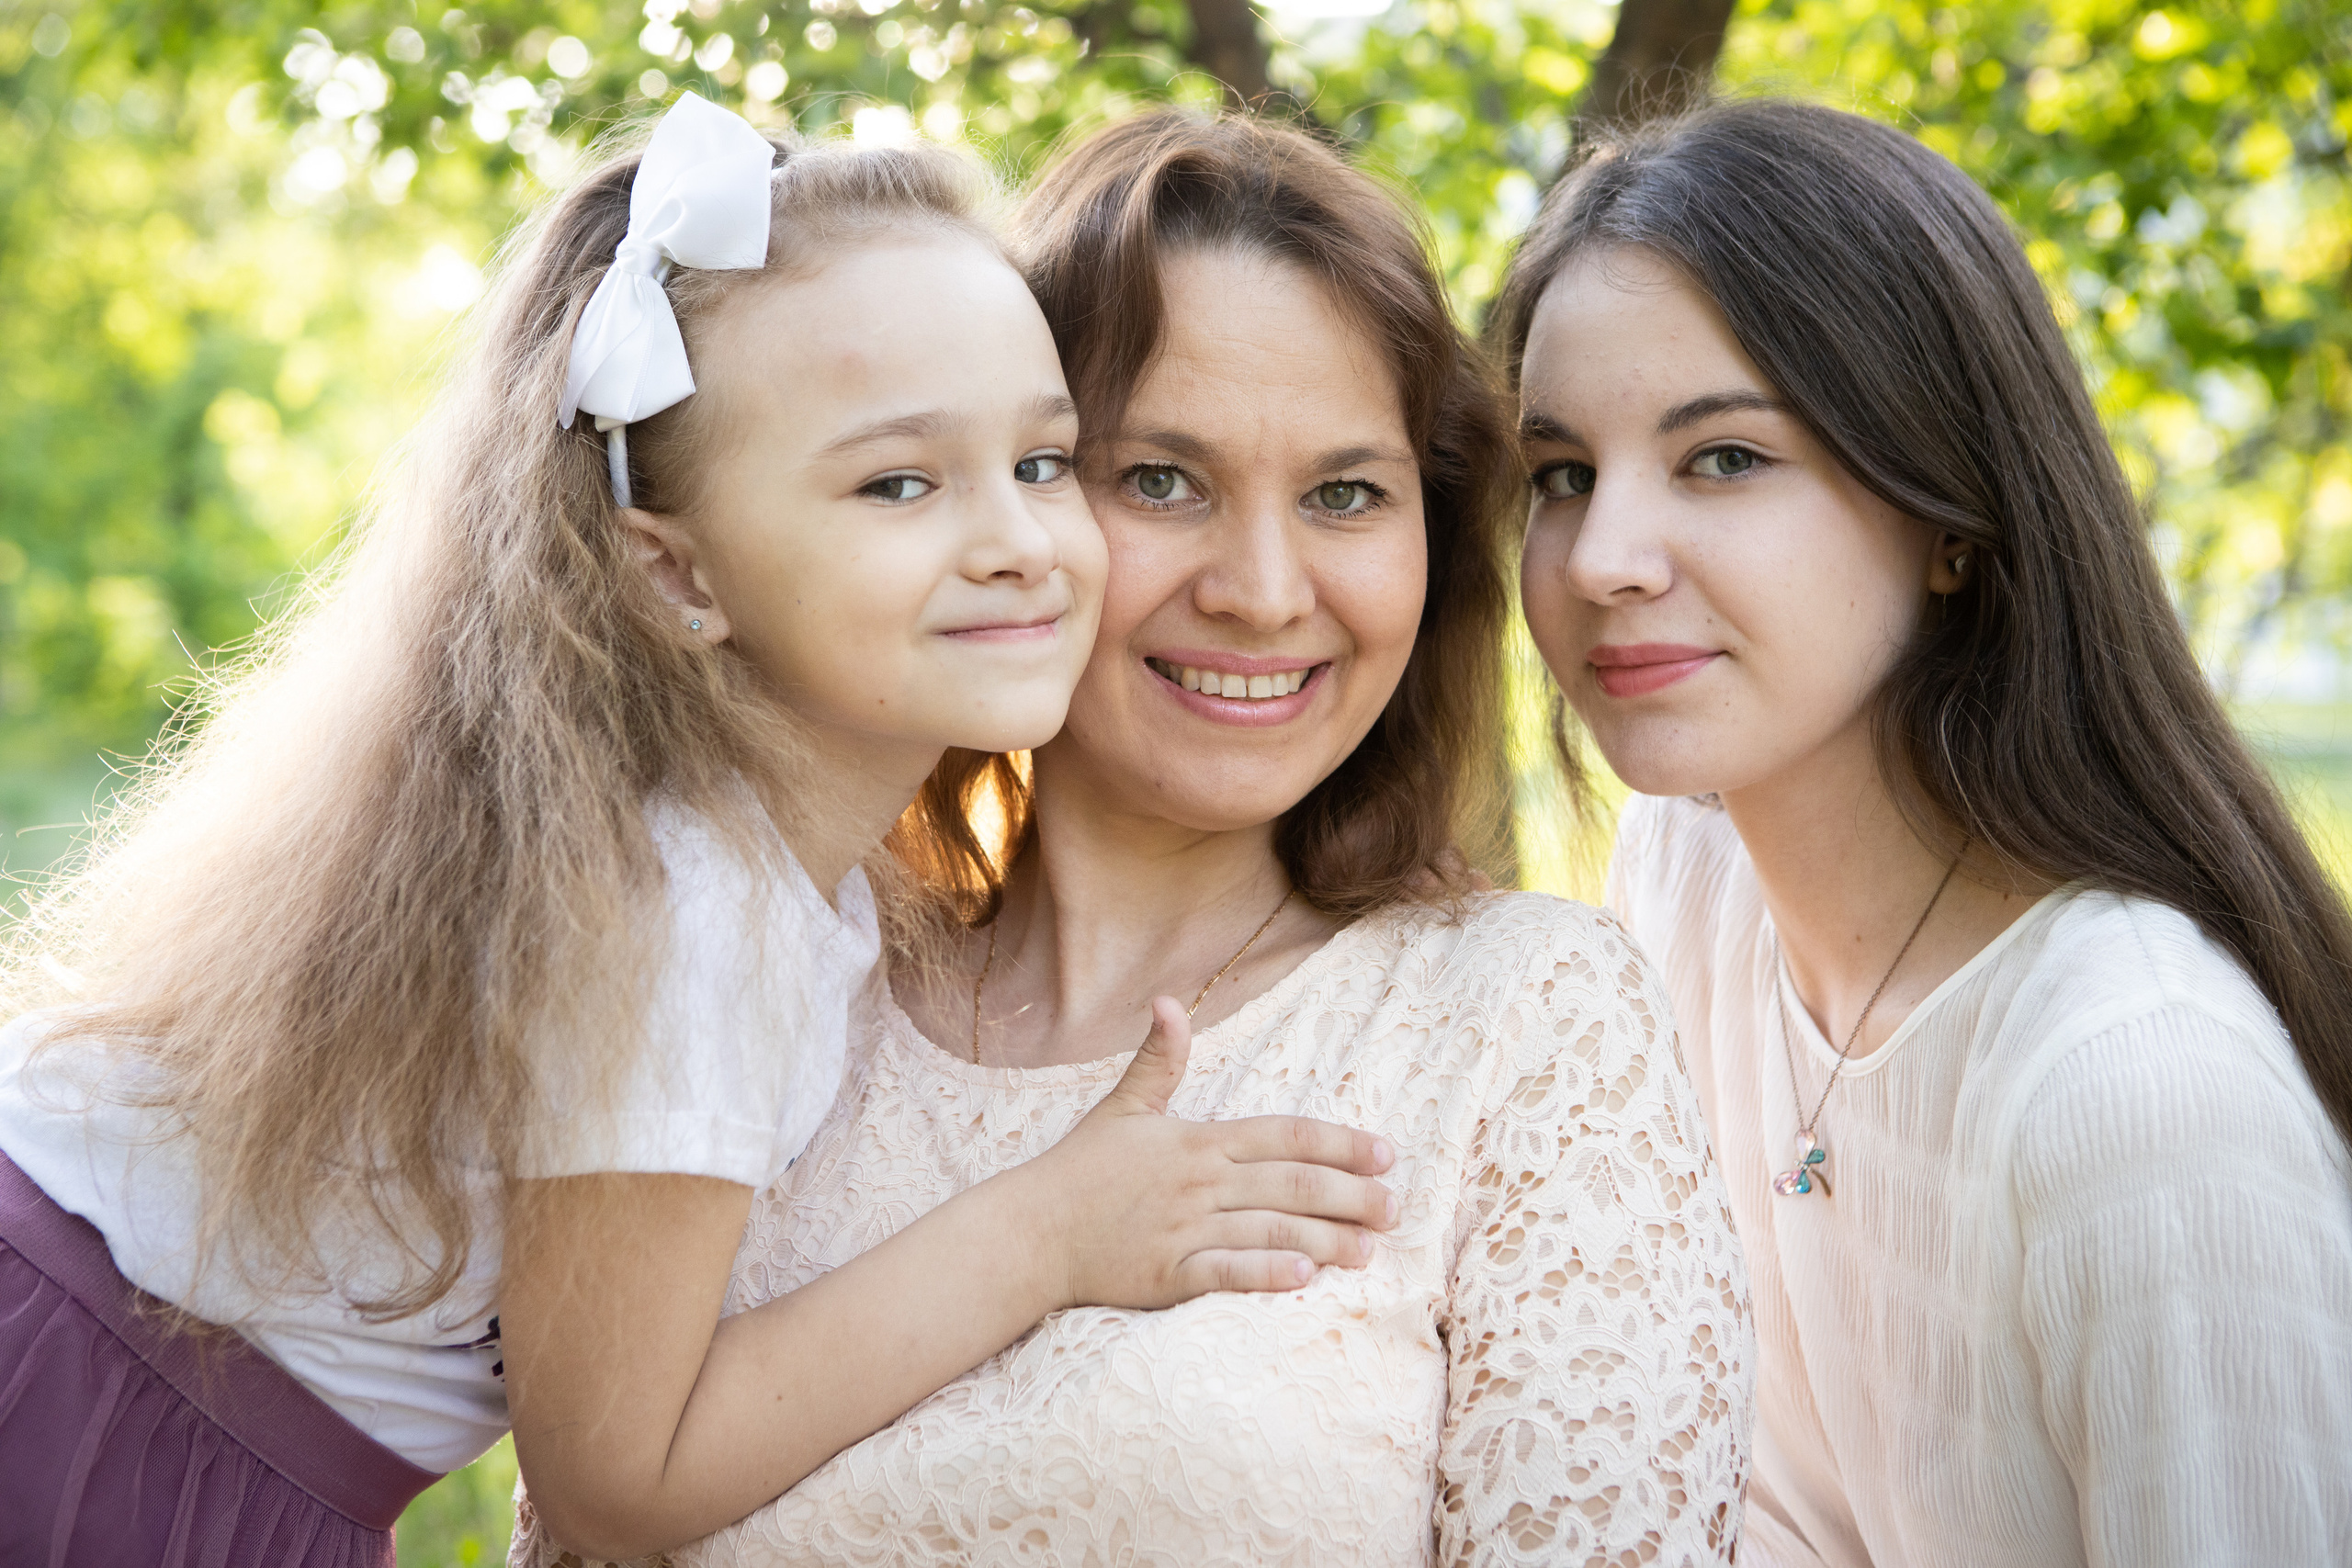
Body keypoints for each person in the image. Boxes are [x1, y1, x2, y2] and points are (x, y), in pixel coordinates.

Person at [0, 95, 1402, 1568]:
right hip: (95, 1418)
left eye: (1045, 463)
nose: (1016, 539)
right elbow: (619, 1478)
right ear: (676, 575)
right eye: (900, 482)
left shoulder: (764, 877)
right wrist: (1049, 1232)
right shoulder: (693, 906)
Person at [515, 108, 1752, 1568]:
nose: (1264, 590)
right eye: (1159, 478)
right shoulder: (772, 970)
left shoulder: (1521, 1023)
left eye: (1347, 494)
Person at [1499, 97, 2352, 1568]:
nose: (1603, 562)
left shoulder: (2139, 1092)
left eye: (1723, 459)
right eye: (1563, 474)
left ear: (1947, 511)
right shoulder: (1688, 892)